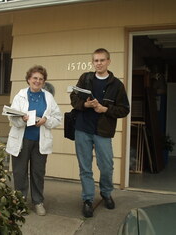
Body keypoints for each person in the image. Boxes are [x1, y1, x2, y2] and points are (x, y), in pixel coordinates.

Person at [70, 48, 130, 218]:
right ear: (93, 62)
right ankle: (88, 199)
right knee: (85, 167)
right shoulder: (85, 78)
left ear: (108, 61)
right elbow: (74, 98)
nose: (99, 63)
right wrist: (85, 105)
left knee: (106, 166)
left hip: (103, 131)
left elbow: (124, 109)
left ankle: (105, 192)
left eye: (102, 60)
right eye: (96, 60)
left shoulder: (117, 85)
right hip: (83, 129)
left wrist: (105, 109)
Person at [6, 65, 62, 216]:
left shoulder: (48, 97)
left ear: (44, 82)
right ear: (29, 79)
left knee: (38, 172)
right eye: (35, 78)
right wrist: (22, 118)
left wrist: (46, 120)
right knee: (19, 172)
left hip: (40, 141)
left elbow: (58, 118)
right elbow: (12, 117)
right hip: (22, 140)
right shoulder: (21, 95)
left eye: (41, 79)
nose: (37, 81)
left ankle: (38, 202)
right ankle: (20, 202)